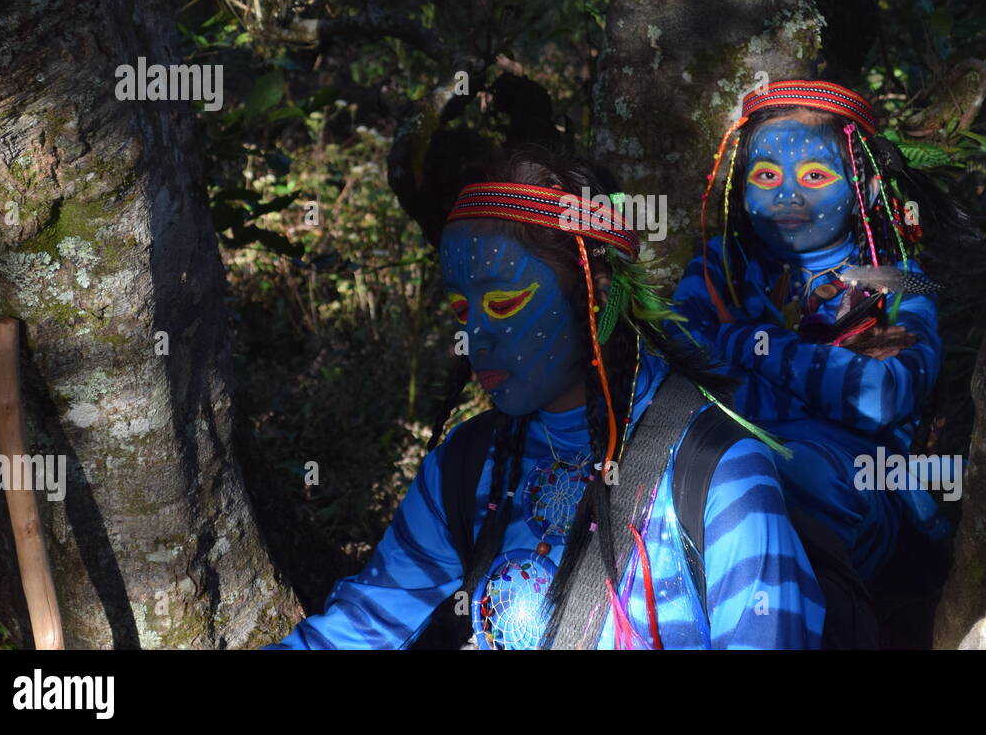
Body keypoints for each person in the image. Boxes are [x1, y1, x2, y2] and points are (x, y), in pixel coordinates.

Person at [270, 145, 824, 649]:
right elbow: (361, 627)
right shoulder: (465, 466)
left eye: (505, 303)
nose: (473, 335)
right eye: (463, 309)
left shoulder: (718, 471)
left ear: (597, 294)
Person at [672, 79, 956, 583]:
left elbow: (881, 395)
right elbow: (676, 371)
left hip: (862, 484)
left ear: (862, 188)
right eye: (765, 173)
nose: (786, 193)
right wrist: (825, 387)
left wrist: (740, 341)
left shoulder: (901, 280)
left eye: (816, 174)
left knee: (794, 472)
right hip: (721, 457)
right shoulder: (719, 268)